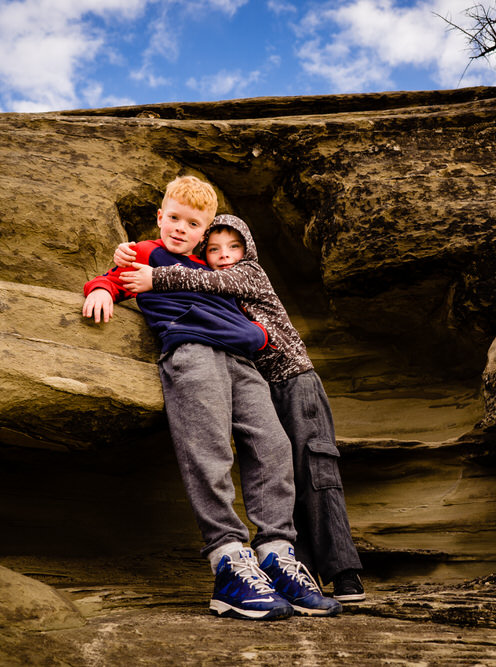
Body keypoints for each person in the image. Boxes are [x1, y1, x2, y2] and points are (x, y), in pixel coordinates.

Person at [82, 176, 341, 620]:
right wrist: (103, 290)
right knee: (210, 444)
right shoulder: (145, 253)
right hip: (193, 353)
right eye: (175, 218)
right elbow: (112, 278)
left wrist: (257, 337)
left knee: (274, 446)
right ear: (161, 217)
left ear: (205, 234)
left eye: (192, 224)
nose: (181, 228)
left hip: (242, 364)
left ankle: (277, 554)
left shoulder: (212, 270)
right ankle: (228, 562)